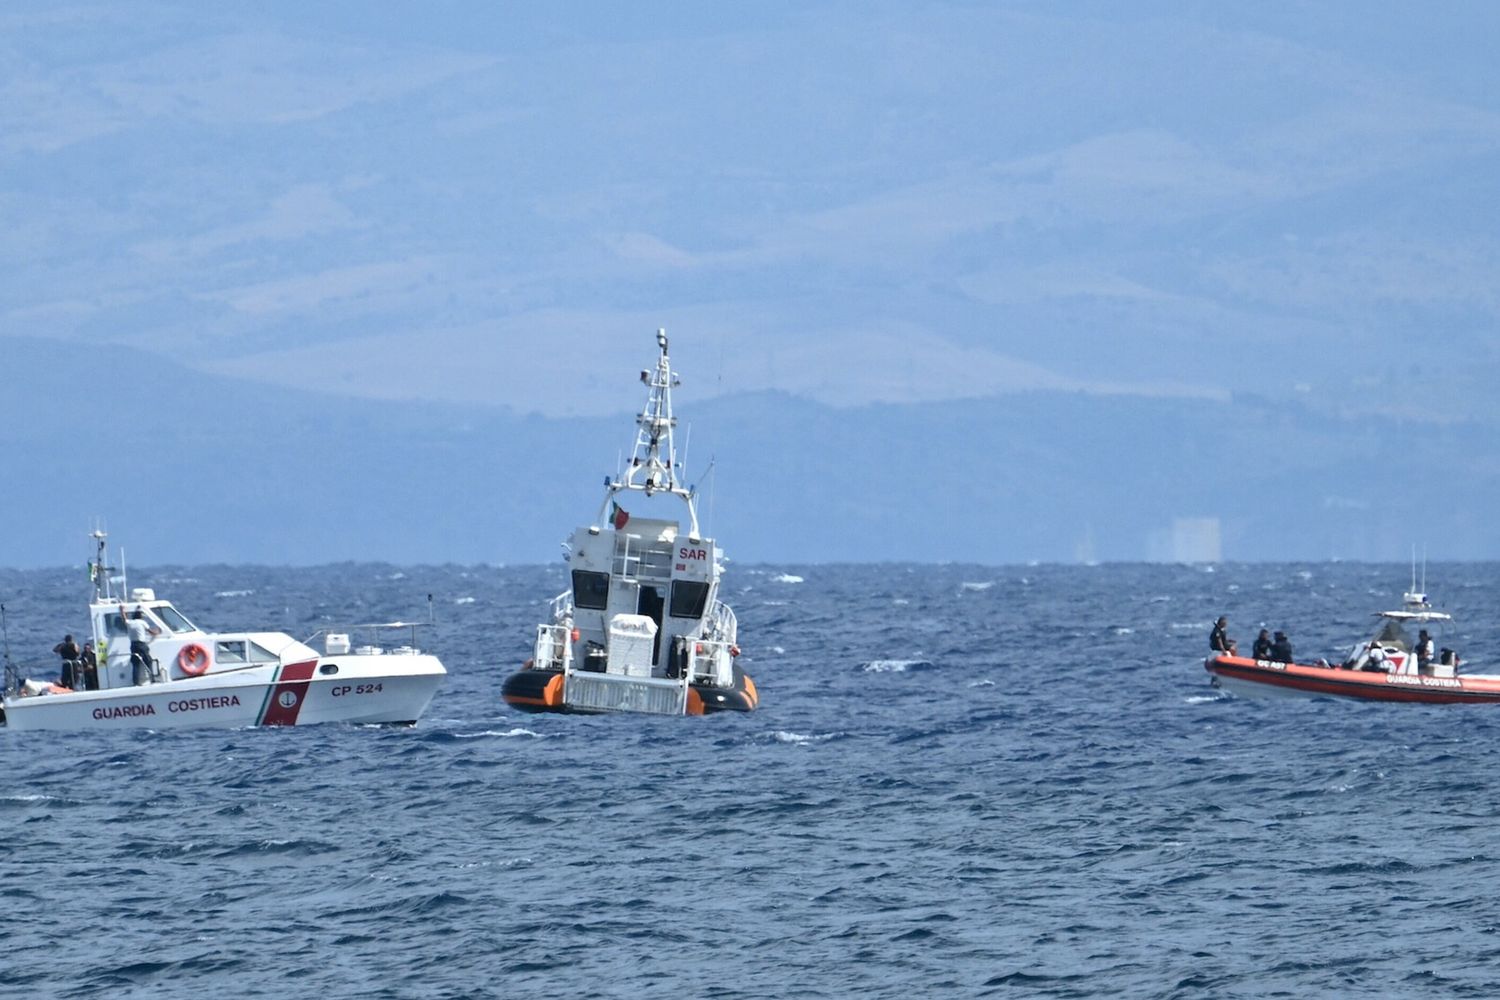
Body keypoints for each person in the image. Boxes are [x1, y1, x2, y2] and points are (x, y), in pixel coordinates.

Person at [125, 609, 160, 685]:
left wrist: (122, 610)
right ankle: (152, 679)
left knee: (136, 664)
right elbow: (151, 632)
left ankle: (136, 682)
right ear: (140, 616)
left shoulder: (130, 623)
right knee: (148, 661)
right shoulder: (142, 622)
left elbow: (124, 618)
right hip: (141, 645)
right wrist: (157, 632)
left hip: (133, 645)